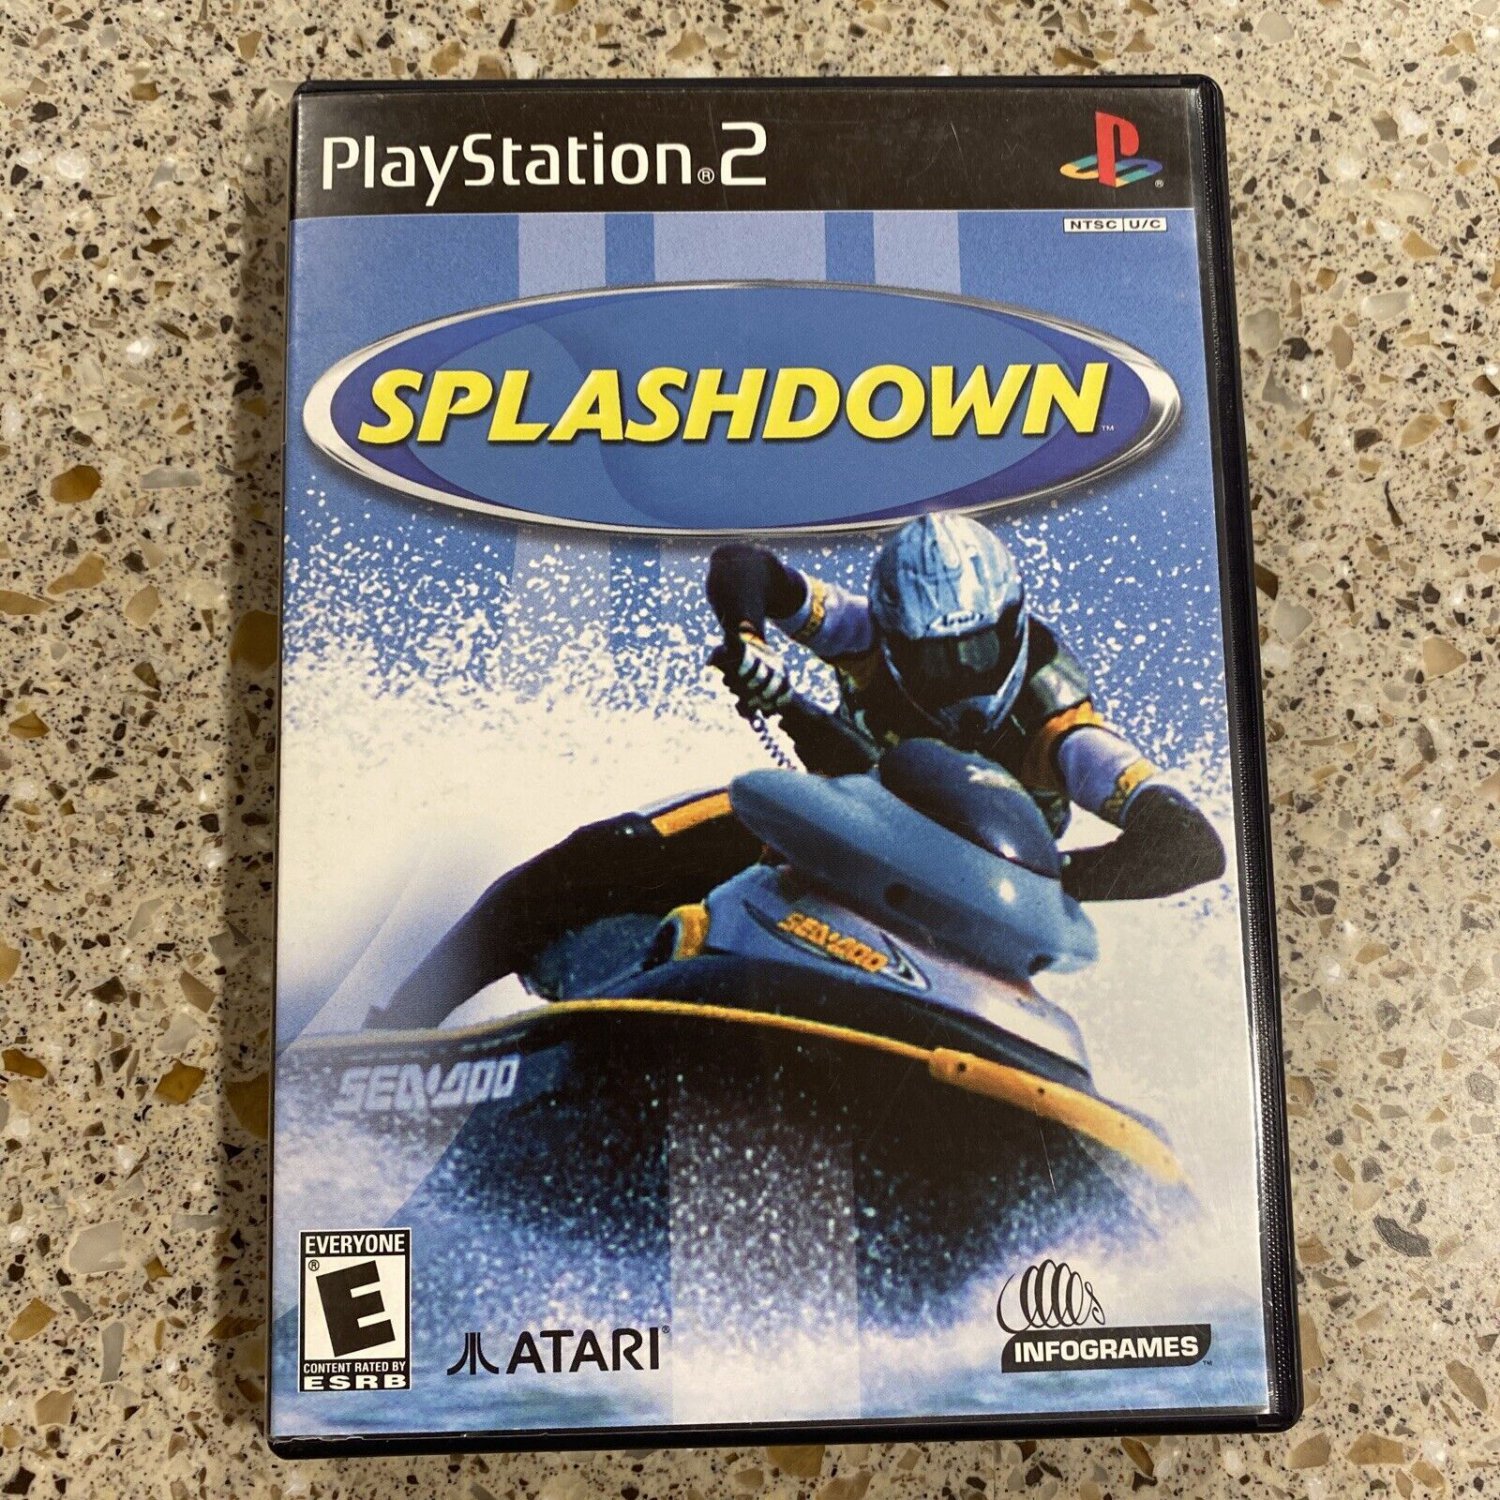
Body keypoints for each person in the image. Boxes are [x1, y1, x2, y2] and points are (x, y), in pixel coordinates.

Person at [706, 513, 1225, 901]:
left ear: (1011, 628)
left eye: (977, 651)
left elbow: (1192, 846)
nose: (958, 677)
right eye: (934, 660)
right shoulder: (866, 631)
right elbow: (743, 564)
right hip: (841, 833)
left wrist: (1047, 884)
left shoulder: (1060, 724)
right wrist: (749, 639)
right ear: (896, 640)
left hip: (970, 910)